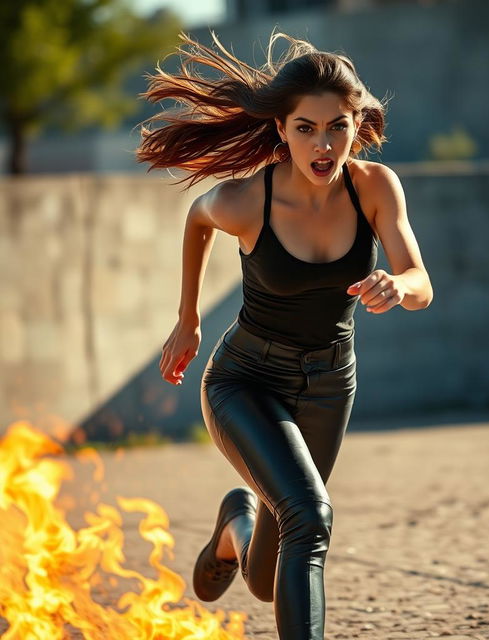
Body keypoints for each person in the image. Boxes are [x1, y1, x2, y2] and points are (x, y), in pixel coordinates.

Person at [136, 28, 433, 640]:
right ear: (282, 129)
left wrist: (398, 287)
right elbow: (197, 218)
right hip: (244, 380)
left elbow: (420, 278)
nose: (323, 145)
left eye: (337, 127)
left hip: (329, 384)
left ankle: (234, 527)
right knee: (311, 517)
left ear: (358, 125)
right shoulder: (250, 199)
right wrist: (187, 318)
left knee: (270, 576)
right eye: (305, 128)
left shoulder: (375, 187)